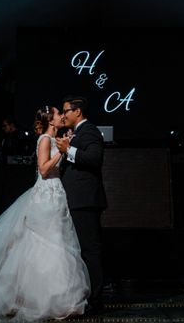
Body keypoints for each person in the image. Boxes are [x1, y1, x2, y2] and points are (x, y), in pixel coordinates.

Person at [0, 107, 90, 321]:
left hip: (55, 193)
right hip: (46, 195)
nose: (62, 117)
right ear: (50, 120)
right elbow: (44, 169)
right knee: (44, 242)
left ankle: (57, 297)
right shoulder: (45, 139)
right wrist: (62, 152)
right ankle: (39, 299)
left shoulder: (52, 138)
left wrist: (64, 145)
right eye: (58, 115)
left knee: (57, 241)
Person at [56, 96, 107, 314]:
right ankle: (84, 295)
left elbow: (95, 158)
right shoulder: (76, 133)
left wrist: (68, 150)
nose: (64, 114)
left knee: (89, 250)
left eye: (66, 110)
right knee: (80, 250)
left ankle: (96, 300)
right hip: (75, 200)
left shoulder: (90, 131)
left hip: (85, 201)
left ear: (78, 112)